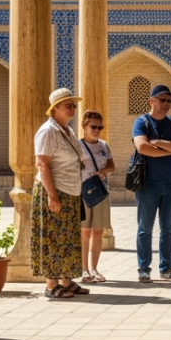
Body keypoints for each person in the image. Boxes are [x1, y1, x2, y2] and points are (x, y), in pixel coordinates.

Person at [32, 88, 90, 299]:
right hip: (55, 192)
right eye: (68, 105)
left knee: (68, 238)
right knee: (53, 238)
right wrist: (52, 196)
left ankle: (66, 281)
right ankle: (51, 285)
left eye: (73, 105)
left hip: (70, 192)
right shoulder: (48, 131)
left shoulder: (67, 131)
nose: (72, 108)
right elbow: (42, 164)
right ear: (55, 108)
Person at [132, 84, 171, 282]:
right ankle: (143, 268)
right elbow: (143, 148)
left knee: (168, 229)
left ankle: (166, 268)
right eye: (162, 100)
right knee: (145, 228)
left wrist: (159, 143)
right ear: (152, 101)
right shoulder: (141, 122)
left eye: (169, 101)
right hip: (148, 183)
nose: (166, 104)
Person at [79, 109, 115, 283]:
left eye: (100, 127)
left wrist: (105, 171)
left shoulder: (103, 145)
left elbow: (112, 166)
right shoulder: (77, 146)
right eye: (93, 127)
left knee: (98, 230)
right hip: (84, 191)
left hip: (101, 191)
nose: (97, 130)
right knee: (85, 231)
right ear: (84, 126)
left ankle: (94, 269)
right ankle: (84, 270)